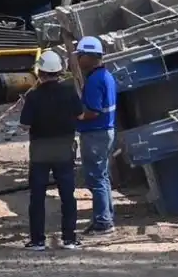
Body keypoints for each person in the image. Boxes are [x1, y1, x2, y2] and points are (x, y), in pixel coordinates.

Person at [20, 51, 83, 250]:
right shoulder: (69, 92)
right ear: (59, 71)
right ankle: (69, 238)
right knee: (67, 195)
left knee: (37, 196)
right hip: (64, 149)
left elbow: (24, 124)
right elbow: (80, 115)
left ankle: (38, 240)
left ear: (40, 72)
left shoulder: (34, 97)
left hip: (40, 151)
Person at [76, 36, 118, 235]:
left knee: (96, 179)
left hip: (95, 134)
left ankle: (103, 222)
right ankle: (106, 217)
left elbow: (93, 111)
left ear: (90, 57)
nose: (78, 59)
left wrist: (75, 117)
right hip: (105, 132)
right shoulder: (106, 76)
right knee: (103, 176)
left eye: (81, 55)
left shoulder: (94, 81)